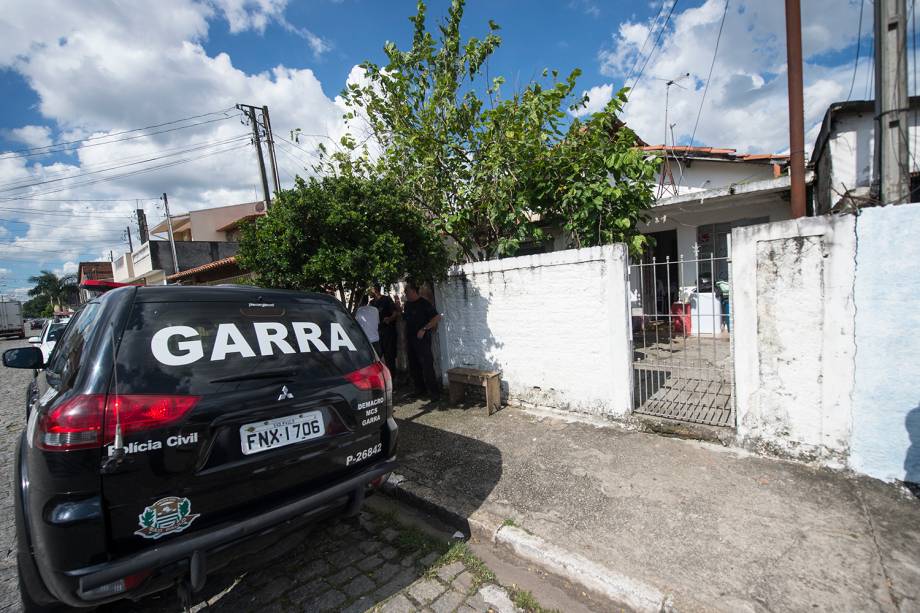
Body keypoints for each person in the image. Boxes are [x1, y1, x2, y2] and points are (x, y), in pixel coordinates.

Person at [402, 279, 442, 400]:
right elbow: (406, 320)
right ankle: (420, 389)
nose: (405, 294)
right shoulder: (407, 304)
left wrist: (424, 329)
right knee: (414, 366)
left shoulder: (424, 303)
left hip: (422, 340)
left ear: (414, 291)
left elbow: (436, 318)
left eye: (407, 292)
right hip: (410, 339)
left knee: (427, 365)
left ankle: (434, 393)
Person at [370, 286, 398, 374]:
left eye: (370, 289)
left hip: (388, 333)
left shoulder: (386, 300)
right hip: (377, 334)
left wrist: (389, 319)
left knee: (389, 357)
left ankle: (392, 379)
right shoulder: (371, 303)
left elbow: (395, 313)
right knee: (376, 357)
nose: (369, 291)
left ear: (375, 289)